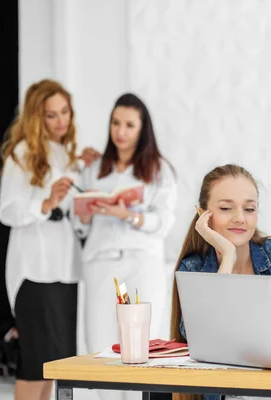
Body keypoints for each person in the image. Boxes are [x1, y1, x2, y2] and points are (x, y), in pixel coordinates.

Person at [171, 164, 271, 400]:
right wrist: (228, 257)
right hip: (232, 391)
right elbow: (201, 338)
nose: (240, 218)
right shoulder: (194, 267)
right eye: (225, 208)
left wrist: (227, 343)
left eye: (249, 208)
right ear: (202, 214)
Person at [0, 79, 97, 400]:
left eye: (64, 112)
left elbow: (72, 220)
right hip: (35, 273)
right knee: (35, 365)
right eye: (51, 115)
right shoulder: (23, 154)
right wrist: (47, 203)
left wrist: (83, 202)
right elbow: (8, 211)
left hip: (65, 272)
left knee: (55, 367)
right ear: (36, 117)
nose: (60, 121)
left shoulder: (64, 155)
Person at [75, 93, 177, 399]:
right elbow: (79, 225)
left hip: (141, 261)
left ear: (142, 129)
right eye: (116, 123)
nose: (121, 131)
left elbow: (163, 223)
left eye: (129, 125)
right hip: (101, 260)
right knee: (102, 344)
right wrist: (83, 212)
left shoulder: (158, 169)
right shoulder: (94, 168)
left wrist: (129, 215)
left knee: (141, 345)